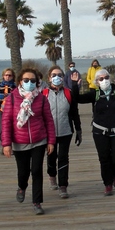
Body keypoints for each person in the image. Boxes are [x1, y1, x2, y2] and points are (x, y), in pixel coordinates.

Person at [70, 66, 115, 196]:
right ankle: (108, 184)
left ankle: (114, 174)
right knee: (104, 158)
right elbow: (78, 99)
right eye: (101, 79)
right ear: (97, 82)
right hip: (100, 131)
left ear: (110, 78)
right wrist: (75, 85)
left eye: (106, 78)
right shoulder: (95, 94)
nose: (104, 80)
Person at [0, 68, 56, 215]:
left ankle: (37, 202)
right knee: (23, 172)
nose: (29, 83)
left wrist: (51, 141)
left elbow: (49, 121)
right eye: (26, 80)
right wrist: (6, 144)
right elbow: (6, 121)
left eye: (33, 81)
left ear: (37, 83)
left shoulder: (42, 99)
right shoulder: (12, 98)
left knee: (37, 171)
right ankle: (22, 187)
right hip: (20, 141)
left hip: (39, 140)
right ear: (20, 81)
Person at [42, 65, 82, 198]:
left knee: (63, 157)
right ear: (49, 78)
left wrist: (78, 129)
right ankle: (52, 175)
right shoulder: (44, 94)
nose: (56, 77)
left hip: (66, 130)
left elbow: (75, 112)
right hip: (49, 132)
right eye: (54, 75)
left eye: (59, 75)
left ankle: (63, 185)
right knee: (51, 156)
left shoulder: (68, 93)